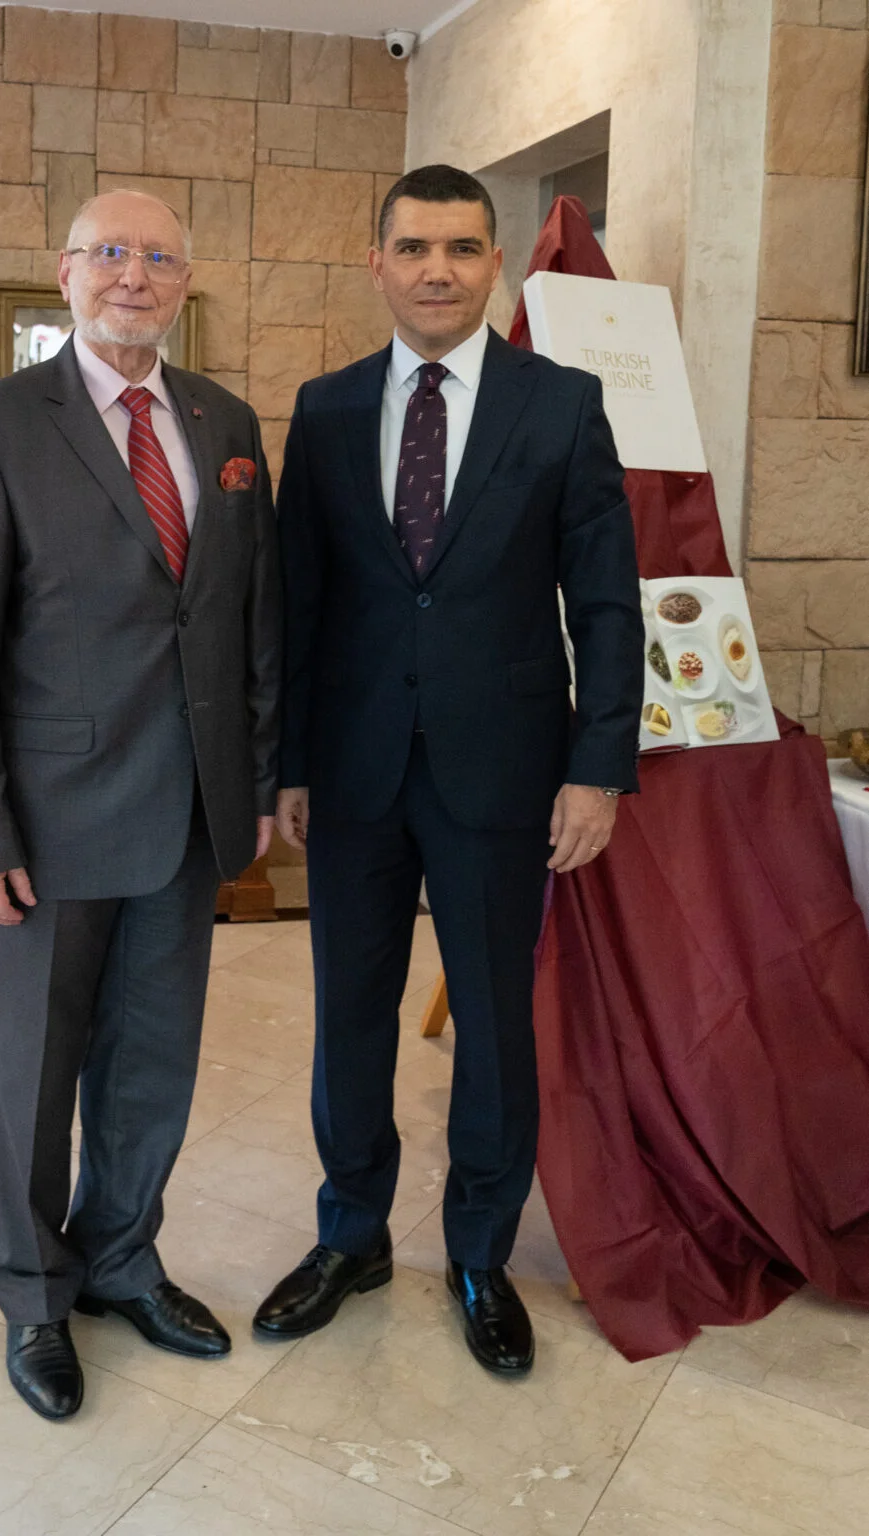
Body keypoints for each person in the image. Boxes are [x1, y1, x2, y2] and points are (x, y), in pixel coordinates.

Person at [254, 164, 643, 1377]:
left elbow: (607, 604)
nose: (437, 270)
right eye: (415, 248)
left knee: (492, 1024)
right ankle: (351, 1235)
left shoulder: (560, 405)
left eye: (462, 248)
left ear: (494, 264)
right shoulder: (323, 410)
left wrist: (598, 767)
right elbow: (299, 602)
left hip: (504, 775)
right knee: (349, 1017)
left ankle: (480, 1250)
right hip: (354, 773)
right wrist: (289, 762)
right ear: (375, 262)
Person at [0, 190, 280, 1421]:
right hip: (51, 822)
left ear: (185, 281)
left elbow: (252, 617)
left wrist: (258, 775)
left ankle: (122, 1257)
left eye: (159, 257)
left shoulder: (225, 424)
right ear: (66, 272)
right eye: (111, 253)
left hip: (190, 810)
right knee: (38, 1071)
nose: (135, 275)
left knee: (152, 1061)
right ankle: (33, 1292)